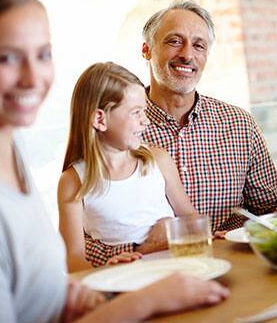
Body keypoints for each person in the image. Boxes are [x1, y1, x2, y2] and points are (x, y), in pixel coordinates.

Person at [0, 0, 227, 322]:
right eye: (7, 57)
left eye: (43, 54)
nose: (32, 77)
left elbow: (27, 284)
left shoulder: (10, 155)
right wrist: (148, 300)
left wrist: (64, 294)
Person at [138, 0, 277, 233]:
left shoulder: (239, 124)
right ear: (146, 49)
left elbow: (268, 210)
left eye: (199, 45)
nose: (187, 55)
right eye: (175, 41)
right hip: (152, 265)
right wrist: (136, 248)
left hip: (234, 260)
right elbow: (87, 231)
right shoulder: (114, 129)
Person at [58, 62, 199, 271]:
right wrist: (107, 269)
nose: (146, 121)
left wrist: (205, 234)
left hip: (180, 270)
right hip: (123, 280)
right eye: (136, 112)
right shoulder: (73, 182)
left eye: (144, 111)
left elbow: (190, 218)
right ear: (100, 119)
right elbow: (73, 258)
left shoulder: (158, 160)